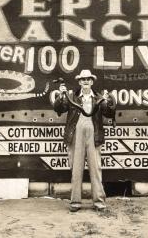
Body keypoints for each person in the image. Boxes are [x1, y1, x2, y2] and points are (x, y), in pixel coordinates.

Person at [53, 70, 116, 212]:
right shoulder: (71, 97)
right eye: (83, 79)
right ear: (79, 82)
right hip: (76, 133)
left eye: (88, 79)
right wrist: (61, 95)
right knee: (76, 168)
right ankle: (75, 202)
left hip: (94, 133)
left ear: (92, 82)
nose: (86, 81)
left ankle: (99, 202)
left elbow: (109, 112)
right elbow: (58, 108)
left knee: (95, 168)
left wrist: (108, 101)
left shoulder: (99, 97)